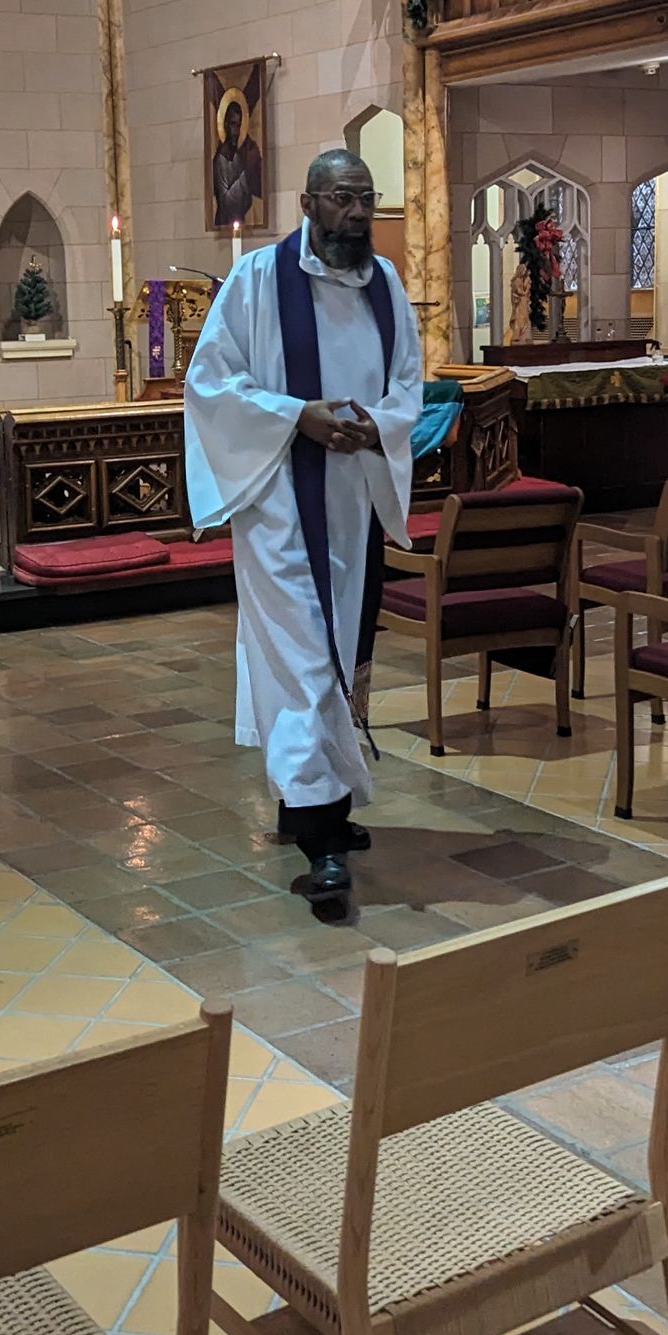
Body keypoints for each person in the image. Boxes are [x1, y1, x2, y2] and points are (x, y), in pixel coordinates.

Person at [184, 146, 422, 920]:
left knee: (341, 649)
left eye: (366, 199)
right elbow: (210, 382)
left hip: (354, 494)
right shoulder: (258, 280)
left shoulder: (385, 284)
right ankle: (321, 840)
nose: (357, 214)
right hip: (281, 501)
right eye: (342, 199)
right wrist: (298, 417)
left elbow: (408, 381)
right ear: (308, 203)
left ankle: (317, 804)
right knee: (303, 660)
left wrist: (375, 425)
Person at [211, 88, 265, 229]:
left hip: (240, 220)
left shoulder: (238, 156)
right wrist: (245, 175)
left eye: (239, 125)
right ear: (225, 124)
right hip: (225, 221)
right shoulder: (221, 158)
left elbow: (247, 200)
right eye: (233, 124)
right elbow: (226, 202)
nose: (236, 132)